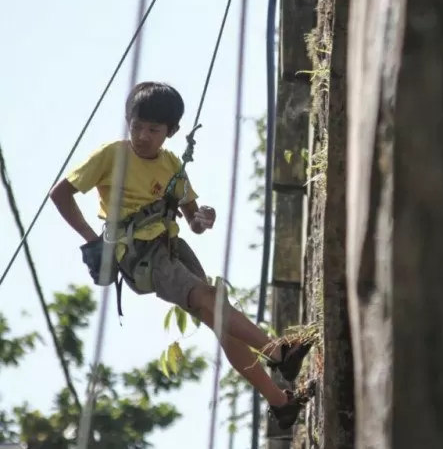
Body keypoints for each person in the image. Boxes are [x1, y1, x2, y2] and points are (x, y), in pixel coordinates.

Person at [49, 81, 310, 428]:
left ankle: (280, 403)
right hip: (140, 255)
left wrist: (203, 217)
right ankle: (279, 352)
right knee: (210, 297)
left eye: (152, 129)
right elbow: (61, 193)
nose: (142, 135)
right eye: (136, 126)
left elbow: (192, 218)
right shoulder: (112, 155)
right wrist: (92, 239)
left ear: (170, 132)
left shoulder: (172, 164)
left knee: (223, 323)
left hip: (172, 248)